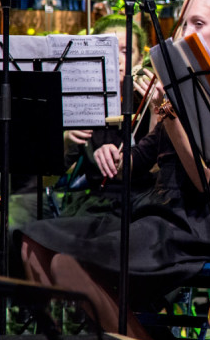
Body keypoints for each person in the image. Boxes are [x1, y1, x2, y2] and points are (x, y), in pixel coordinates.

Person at [20, 0, 210, 339]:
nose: (183, 35)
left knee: (68, 264)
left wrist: (169, 111)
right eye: (183, 24)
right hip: (155, 213)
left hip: (195, 226)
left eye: (197, 24)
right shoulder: (180, 84)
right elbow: (143, 156)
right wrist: (112, 152)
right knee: (32, 240)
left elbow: (204, 181)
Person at [59, 15, 157, 218]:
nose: (118, 59)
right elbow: (52, 176)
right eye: (108, 50)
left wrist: (157, 107)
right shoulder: (84, 98)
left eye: (126, 51)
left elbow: (158, 167)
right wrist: (67, 139)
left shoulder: (150, 98)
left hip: (142, 202)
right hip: (96, 200)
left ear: (140, 59)